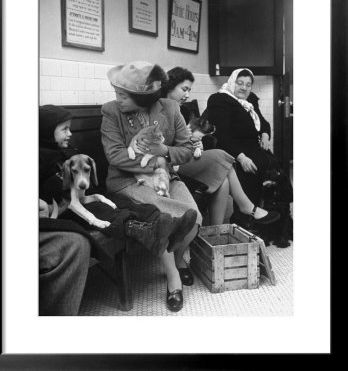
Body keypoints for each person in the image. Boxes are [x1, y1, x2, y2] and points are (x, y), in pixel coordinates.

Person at [39, 104, 197, 315]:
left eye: (69, 128)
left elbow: (86, 181)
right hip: (65, 209)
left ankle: (159, 222)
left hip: (83, 198)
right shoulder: (40, 157)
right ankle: (145, 228)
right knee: (108, 212)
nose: (70, 133)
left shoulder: (66, 152)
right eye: (64, 129)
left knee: (124, 204)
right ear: (47, 130)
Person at [101, 61, 202, 312]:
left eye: (123, 95)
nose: (118, 99)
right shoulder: (111, 112)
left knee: (196, 217)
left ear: (142, 98)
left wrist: (165, 152)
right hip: (126, 181)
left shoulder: (170, 108)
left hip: (164, 176)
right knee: (165, 216)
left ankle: (178, 260)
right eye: (117, 94)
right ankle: (173, 279)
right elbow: (114, 155)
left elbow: (188, 149)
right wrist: (155, 162)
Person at [162, 66, 279, 227]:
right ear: (170, 86)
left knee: (223, 181)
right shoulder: (158, 109)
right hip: (171, 161)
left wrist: (193, 140)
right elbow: (163, 143)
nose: (188, 95)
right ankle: (247, 207)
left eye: (248, 84)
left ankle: (217, 232)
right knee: (223, 157)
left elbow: (182, 139)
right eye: (184, 89)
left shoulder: (181, 108)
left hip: (184, 155)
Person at [206, 67, 275, 213]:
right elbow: (221, 135)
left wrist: (265, 134)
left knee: (278, 172)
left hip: (255, 148)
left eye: (248, 84)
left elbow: (263, 122)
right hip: (234, 150)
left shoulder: (250, 100)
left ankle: (274, 217)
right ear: (232, 82)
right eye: (240, 83)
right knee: (254, 169)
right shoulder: (220, 100)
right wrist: (242, 158)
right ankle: (248, 217)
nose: (244, 87)